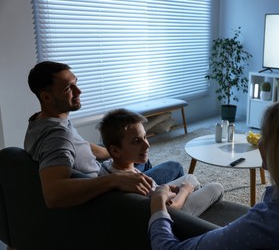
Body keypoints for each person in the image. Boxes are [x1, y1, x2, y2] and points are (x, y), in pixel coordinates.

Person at [148, 98, 279, 249]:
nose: (260, 142)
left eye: (265, 134)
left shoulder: (266, 225)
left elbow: (167, 248)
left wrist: (158, 207)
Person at [24, 61, 184, 208]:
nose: (79, 91)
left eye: (76, 83)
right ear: (46, 97)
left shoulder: (41, 122)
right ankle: (160, 204)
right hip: (109, 190)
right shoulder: (57, 137)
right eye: (68, 89)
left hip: (104, 173)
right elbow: (53, 195)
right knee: (174, 166)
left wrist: (116, 152)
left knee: (142, 160)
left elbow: (80, 146)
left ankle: (150, 191)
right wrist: (116, 180)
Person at [98, 108, 224, 216]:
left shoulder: (107, 167)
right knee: (215, 187)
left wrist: (171, 188)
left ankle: (194, 197)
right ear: (115, 151)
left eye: (145, 137)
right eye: (136, 141)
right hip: (171, 218)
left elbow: (156, 191)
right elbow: (169, 209)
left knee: (190, 178)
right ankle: (199, 219)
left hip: (158, 199)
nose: (146, 145)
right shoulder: (136, 184)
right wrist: (184, 191)